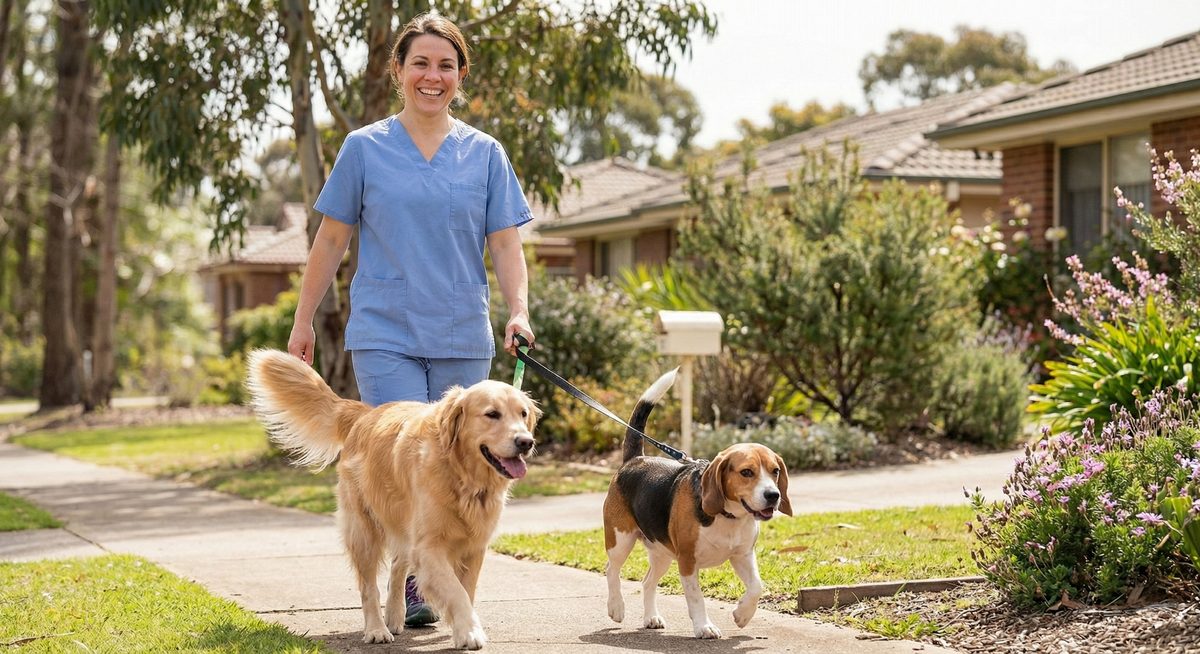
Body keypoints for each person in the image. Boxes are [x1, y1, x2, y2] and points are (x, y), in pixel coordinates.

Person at [286, 12, 536, 628]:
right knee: (406, 465)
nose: (433, 76)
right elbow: (331, 238)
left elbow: (505, 243)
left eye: (445, 65)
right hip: (386, 331)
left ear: (460, 75)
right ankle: (416, 583)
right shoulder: (365, 147)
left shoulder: (484, 153)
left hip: (460, 329)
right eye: (420, 63)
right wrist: (303, 319)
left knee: (464, 466)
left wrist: (520, 311)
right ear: (397, 71)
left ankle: (428, 580)